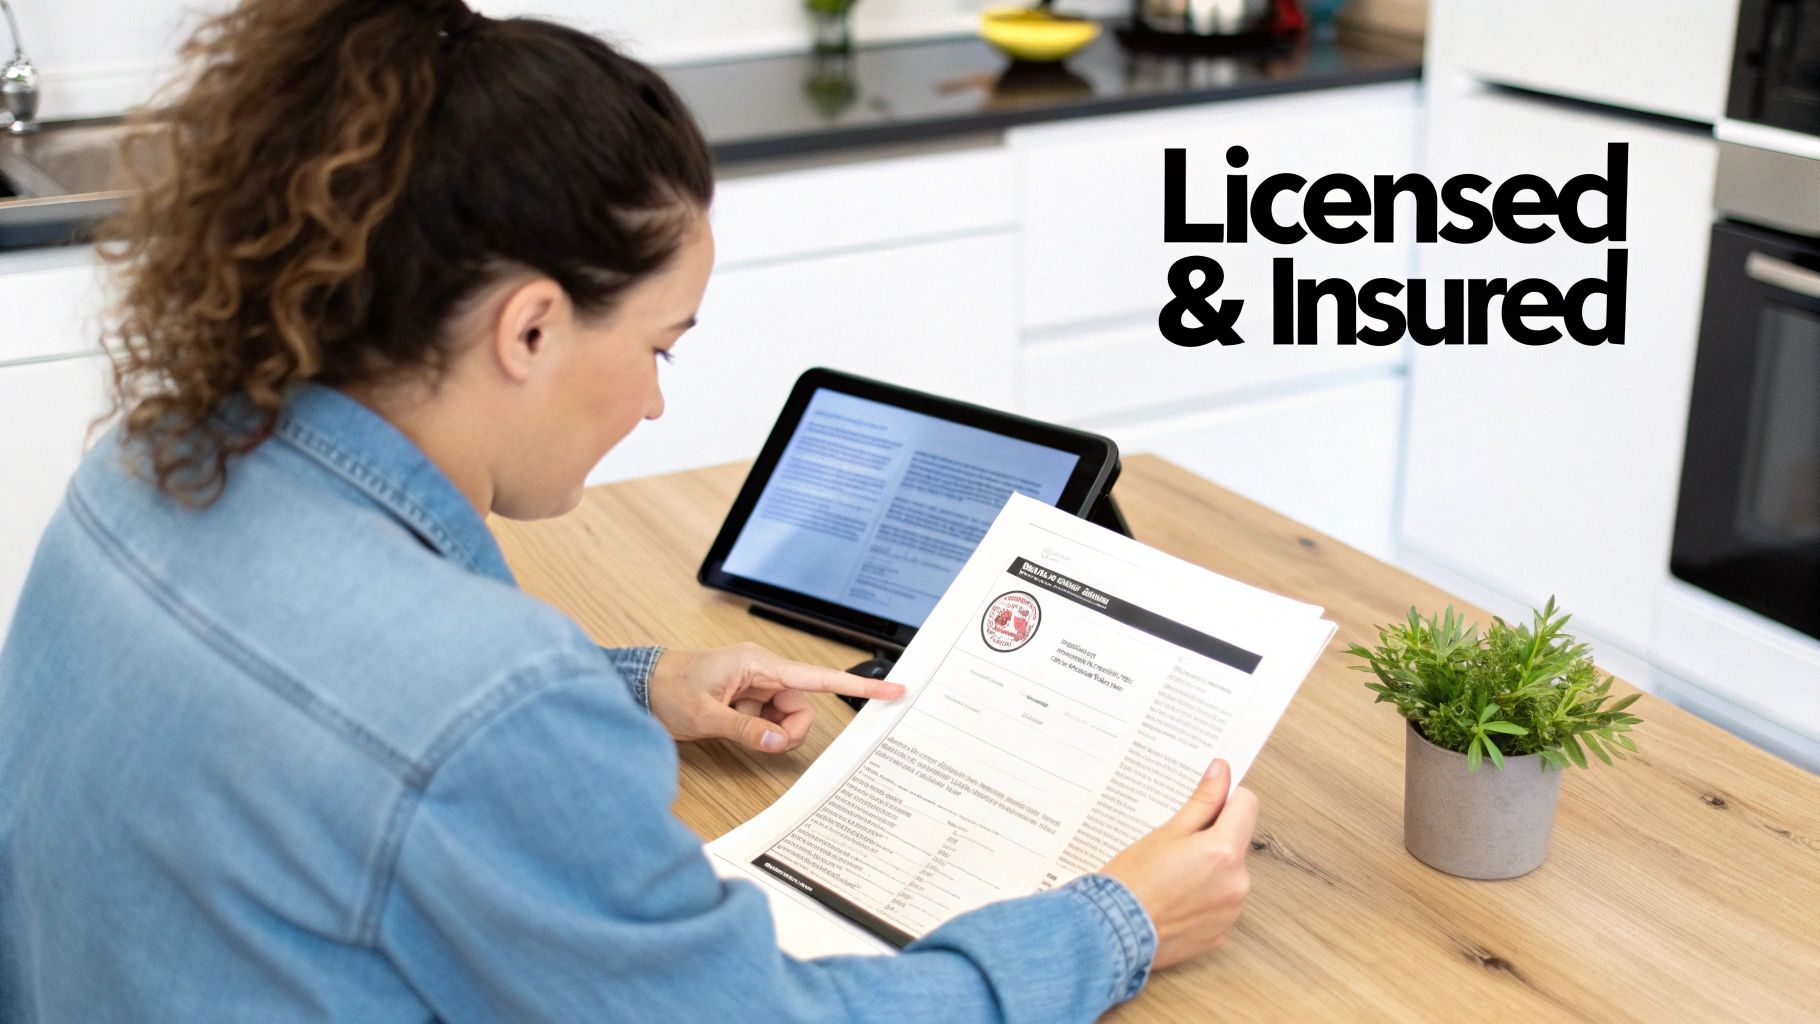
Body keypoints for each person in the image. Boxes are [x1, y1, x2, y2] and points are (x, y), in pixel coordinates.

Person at [0, 1, 1259, 1020]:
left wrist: (637, 683)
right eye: (664, 344)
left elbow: (331, 719)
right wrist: (1116, 920)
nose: (656, 404)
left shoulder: (143, 466)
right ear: (531, 326)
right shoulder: (482, 701)